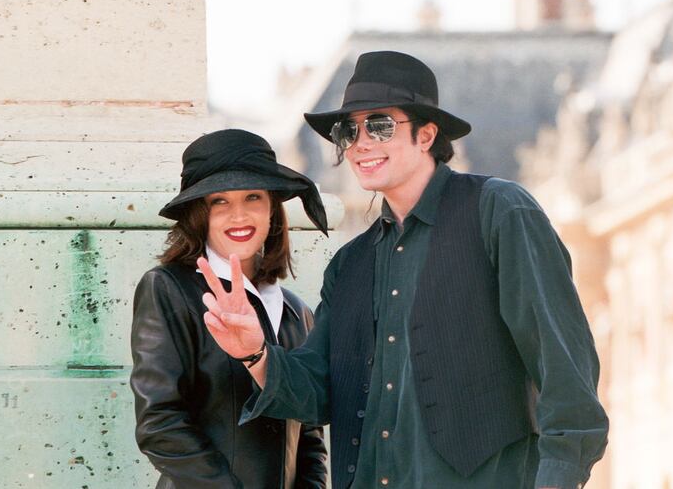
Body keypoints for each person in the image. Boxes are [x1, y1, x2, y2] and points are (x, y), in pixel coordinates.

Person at [199, 51, 609, 489]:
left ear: (426, 135)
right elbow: (319, 392)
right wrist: (255, 352)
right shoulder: (350, 264)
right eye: (347, 131)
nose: (361, 143)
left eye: (379, 125)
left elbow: (565, 372)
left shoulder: (498, 212)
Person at [130, 128, 329, 489]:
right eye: (219, 201)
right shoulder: (168, 289)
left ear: (272, 210)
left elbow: (311, 438)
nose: (239, 215)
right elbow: (160, 424)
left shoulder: (297, 312)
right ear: (198, 215)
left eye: (253, 196)